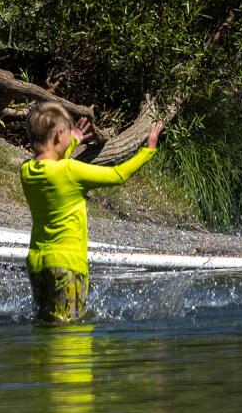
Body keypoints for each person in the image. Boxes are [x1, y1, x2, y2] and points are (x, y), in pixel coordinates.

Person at [20, 102, 162, 324]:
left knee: (45, 325)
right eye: (67, 135)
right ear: (58, 135)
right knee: (70, 330)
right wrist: (148, 151)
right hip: (67, 263)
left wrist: (74, 138)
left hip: (37, 262)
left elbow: (53, 159)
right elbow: (117, 175)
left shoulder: (26, 170)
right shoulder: (70, 171)